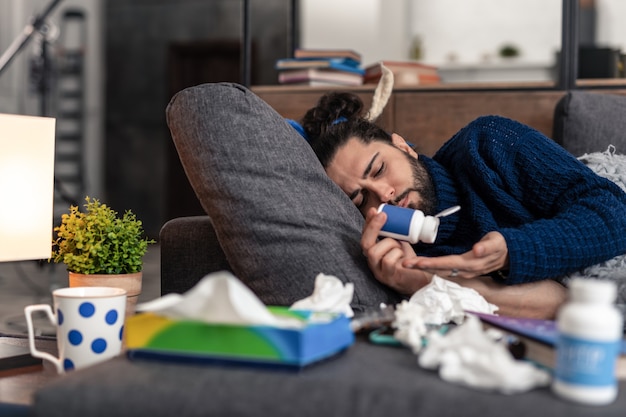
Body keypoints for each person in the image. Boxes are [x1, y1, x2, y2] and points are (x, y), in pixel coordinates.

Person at [292, 91, 626, 319]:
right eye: (360, 199)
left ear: (403, 146)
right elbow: (557, 303)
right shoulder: (405, 253)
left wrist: (512, 250)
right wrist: (421, 282)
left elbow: (613, 209)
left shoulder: (487, 145)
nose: (384, 194)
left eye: (379, 169)